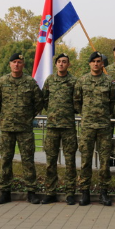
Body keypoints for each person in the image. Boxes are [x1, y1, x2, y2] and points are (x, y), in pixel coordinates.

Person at [0, 52, 44, 205]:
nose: (16, 65)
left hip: (25, 129)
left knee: (28, 160)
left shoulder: (30, 82)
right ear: (10, 64)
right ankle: (5, 191)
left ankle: (31, 192)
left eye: (19, 62)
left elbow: (39, 102)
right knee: (6, 160)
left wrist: (28, 116)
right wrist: (5, 115)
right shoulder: (2, 82)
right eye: (14, 62)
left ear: (23, 65)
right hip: (7, 128)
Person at [74, 51, 115, 206]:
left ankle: (104, 192)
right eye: (93, 61)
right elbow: (77, 101)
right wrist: (86, 114)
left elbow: (113, 101)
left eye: (99, 61)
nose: (96, 64)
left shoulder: (109, 82)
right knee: (85, 160)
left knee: (105, 161)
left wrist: (104, 115)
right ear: (89, 63)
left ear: (102, 64)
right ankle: (85, 192)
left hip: (104, 127)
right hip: (87, 127)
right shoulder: (82, 81)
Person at [41, 53, 78, 205]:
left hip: (68, 127)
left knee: (70, 162)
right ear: (55, 64)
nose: (62, 64)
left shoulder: (74, 81)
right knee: (50, 161)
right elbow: (44, 98)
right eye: (59, 62)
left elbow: (77, 101)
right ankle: (51, 192)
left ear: (68, 64)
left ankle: (70, 192)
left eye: (64, 62)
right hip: (52, 127)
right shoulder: (50, 80)